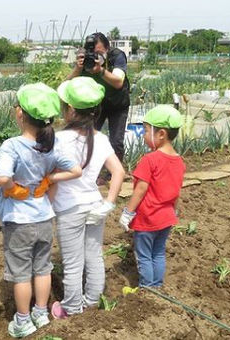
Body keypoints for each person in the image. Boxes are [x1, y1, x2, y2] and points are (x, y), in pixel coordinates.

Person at [0, 83, 82, 338]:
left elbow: (2, 177)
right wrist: (50, 179)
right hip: (44, 217)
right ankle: (41, 313)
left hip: (18, 221)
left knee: (21, 273)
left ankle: (23, 320)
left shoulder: (12, 145)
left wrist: (13, 189)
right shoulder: (50, 146)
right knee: (43, 268)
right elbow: (76, 171)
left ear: (20, 114)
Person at [49, 77, 125, 319]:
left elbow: (48, 174)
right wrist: (108, 203)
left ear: (70, 110)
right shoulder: (101, 139)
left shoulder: (58, 140)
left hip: (69, 209)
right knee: (94, 256)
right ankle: (92, 301)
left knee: (72, 263)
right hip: (94, 205)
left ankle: (70, 308)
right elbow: (119, 172)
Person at [119, 105, 186, 287]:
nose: (143, 134)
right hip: (166, 217)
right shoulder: (179, 161)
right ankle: (157, 285)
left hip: (148, 218)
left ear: (161, 134)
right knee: (158, 252)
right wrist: (175, 211)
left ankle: (147, 289)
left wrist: (128, 212)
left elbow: (140, 189)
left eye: (146, 131)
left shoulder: (150, 160)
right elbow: (176, 190)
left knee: (144, 255)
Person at [68, 32, 130, 166]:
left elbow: (118, 82)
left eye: (99, 53)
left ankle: (114, 174)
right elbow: (67, 84)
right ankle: (88, 169)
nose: (96, 57)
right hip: (97, 105)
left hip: (118, 104)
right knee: (87, 136)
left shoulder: (117, 56)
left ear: (107, 49)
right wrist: (78, 69)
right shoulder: (85, 59)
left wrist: (100, 71)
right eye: (93, 53)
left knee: (116, 141)